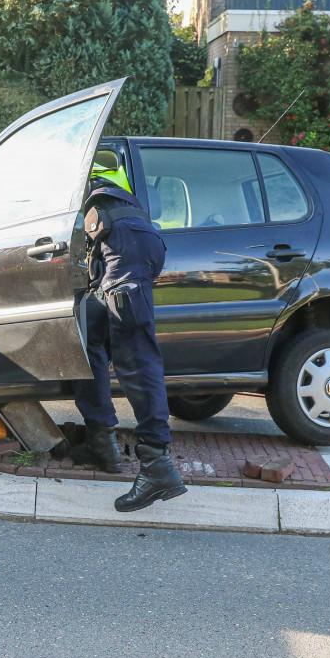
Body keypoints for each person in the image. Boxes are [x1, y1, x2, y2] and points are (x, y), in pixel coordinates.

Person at [70, 160, 187, 512]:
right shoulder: (90, 168)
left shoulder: (72, 164)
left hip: (126, 248)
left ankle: (157, 466)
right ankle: (100, 440)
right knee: (85, 337)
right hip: (123, 245)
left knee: (136, 359)